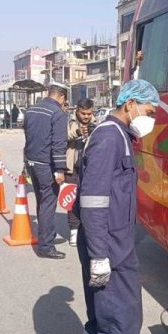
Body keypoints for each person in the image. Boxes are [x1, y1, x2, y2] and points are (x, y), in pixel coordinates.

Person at [67, 79, 159, 334]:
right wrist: (101, 256)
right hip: (110, 249)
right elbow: (92, 200)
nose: (150, 119)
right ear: (131, 103)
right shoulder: (109, 137)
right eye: (149, 112)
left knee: (101, 321)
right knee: (123, 325)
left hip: (110, 244)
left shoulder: (118, 134)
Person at [23, 84, 69, 259]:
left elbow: (28, 136)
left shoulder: (31, 110)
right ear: (62, 97)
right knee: (48, 204)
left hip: (31, 162)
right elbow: (59, 144)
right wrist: (59, 170)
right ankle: (46, 246)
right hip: (45, 165)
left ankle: (45, 235)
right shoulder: (58, 114)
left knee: (42, 202)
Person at [65, 98, 96, 247]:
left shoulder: (97, 124)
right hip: (71, 169)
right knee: (71, 201)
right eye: (83, 113)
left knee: (87, 201)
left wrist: (93, 133)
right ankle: (73, 231)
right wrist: (77, 132)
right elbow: (62, 138)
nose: (86, 116)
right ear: (77, 110)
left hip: (88, 169)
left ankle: (87, 231)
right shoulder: (69, 122)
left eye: (89, 113)